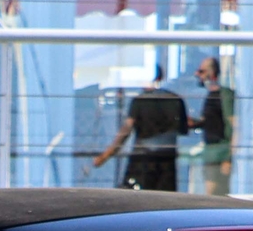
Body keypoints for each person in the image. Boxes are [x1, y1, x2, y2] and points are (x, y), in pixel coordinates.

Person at [91, 76, 190, 191]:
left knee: (139, 197)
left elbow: (126, 129)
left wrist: (105, 156)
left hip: (142, 160)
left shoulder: (140, 101)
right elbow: (183, 128)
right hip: (167, 159)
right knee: (165, 198)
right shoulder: (176, 100)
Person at [190, 56, 235, 194]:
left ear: (211, 73)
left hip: (219, 153)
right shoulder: (211, 94)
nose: (197, 74)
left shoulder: (224, 94)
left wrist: (228, 157)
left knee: (213, 194)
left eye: (201, 71)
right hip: (211, 152)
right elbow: (212, 121)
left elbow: (234, 125)